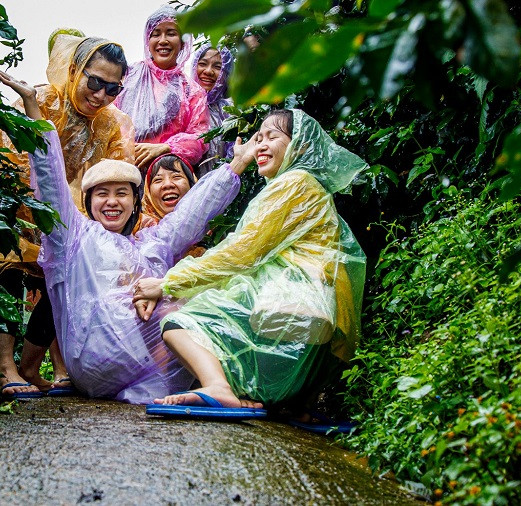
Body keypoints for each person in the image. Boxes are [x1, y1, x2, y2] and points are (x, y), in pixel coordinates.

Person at [0, 69, 257, 404]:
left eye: (122, 193)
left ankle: (231, 389)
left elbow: (193, 213)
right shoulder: (73, 236)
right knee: (183, 302)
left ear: (135, 201)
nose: (113, 201)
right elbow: (49, 179)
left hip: (147, 369)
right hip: (95, 359)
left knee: (210, 290)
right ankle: (224, 386)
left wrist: (235, 166)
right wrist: (34, 111)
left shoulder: (151, 241)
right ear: (88, 202)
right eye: (102, 194)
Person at [133, 109, 367, 413]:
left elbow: (241, 253)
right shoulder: (306, 187)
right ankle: (292, 402)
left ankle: (218, 388)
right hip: (316, 318)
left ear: (301, 146)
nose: (261, 146)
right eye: (259, 138)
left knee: (177, 325)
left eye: (272, 137)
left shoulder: (294, 183)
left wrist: (167, 284)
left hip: (295, 302)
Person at [0, 31, 134, 399]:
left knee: (66, 281)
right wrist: (42, 209)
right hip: (17, 206)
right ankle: (6, 367)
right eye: (95, 82)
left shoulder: (112, 123)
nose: (101, 96)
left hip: (69, 216)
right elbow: (11, 156)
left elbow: (110, 173)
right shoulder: (42, 100)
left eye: (112, 89)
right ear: (75, 69)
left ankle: (33, 366)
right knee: (6, 272)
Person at [115, 6, 211, 170]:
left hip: (164, 176)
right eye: (156, 33)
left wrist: (166, 148)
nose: (163, 40)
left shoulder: (192, 91)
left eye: (171, 33)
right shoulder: (128, 75)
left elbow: (201, 139)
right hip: (123, 171)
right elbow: (108, 118)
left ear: (182, 42)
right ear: (148, 40)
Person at [190, 44, 235, 176]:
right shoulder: (181, 104)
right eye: (203, 64)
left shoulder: (230, 112)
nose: (208, 71)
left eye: (217, 67)